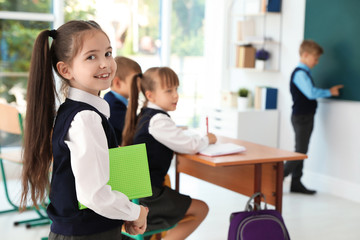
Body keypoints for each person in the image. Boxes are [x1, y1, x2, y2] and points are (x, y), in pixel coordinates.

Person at [20, 20, 148, 240]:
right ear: (65, 69)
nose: (105, 64)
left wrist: (121, 214)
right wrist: (136, 212)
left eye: (108, 53)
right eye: (91, 57)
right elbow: (93, 195)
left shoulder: (79, 112)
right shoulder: (86, 118)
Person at [122, 67, 217, 239]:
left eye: (176, 89)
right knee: (201, 209)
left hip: (139, 193)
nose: (176, 95)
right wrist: (207, 139)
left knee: (194, 208)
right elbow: (190, 146)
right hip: (147, 197)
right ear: (150, 95)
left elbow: (179, 139)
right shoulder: (158, 120)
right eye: (169, 91)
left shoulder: (147, 114)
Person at [285, 39, 344, 195]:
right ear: (305, 55)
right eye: (315, 58)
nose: (317, 62)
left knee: (301, 151)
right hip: (301, 117)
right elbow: (310, 93)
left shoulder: (304, 73)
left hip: (305, 116)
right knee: (300, 151)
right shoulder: (299, 74)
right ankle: (277, 178)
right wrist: (329, 92)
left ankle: (296, 183)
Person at [104, 56, 142, 144]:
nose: (140, 84)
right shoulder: (113, 106)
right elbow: (132, 128)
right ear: (117, 83)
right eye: (135, 81)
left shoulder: (112, 100)